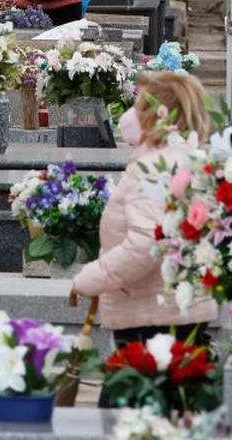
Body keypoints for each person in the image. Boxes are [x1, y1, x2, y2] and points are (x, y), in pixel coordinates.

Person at [71, 72, 218, 402]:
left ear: (155, 115)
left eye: (137, 105)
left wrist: (90, 279)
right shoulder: (188, 159)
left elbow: (146, 243)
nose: (129, 115)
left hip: (151, 316)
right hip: (173, 309)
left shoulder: (155, 167)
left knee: (131, 410)